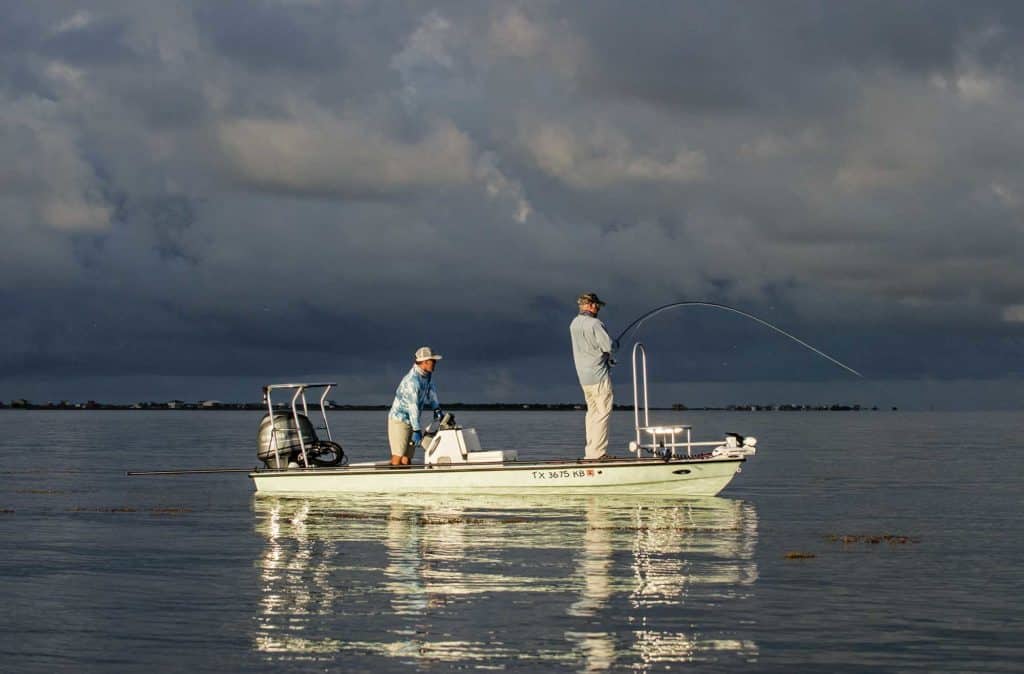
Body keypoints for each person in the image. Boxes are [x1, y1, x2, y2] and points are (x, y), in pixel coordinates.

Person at [569, 292, 616, 460]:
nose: (598, 308)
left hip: (583, 378)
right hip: (599, 375)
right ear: (588, 305)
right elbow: (609, 346)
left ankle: (591, 452)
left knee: (592, 414)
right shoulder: (595, 324)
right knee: (603, 413)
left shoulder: (573, 324)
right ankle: (599, 453)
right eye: (596, 305)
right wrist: (614, 345)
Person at [387, 346, 444, 466]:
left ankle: (405, 481)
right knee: (399, 454)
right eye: (432, 361)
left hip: (412, 420)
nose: (435, 364)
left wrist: (437, 408)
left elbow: (431, 391)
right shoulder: (413, 381)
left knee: (407, 458)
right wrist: (417, 429)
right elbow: (413, 407)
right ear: (424, 362)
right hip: (399, 420)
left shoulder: (426, 375)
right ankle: (392, 480)